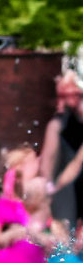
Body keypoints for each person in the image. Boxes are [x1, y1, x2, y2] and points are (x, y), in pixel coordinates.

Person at [0, 148, 66, 263]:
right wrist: (10, 235)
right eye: (31, 162)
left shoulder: (41, 205)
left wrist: (49, 236)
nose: (38, 163)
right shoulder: (4, 205)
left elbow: (53, 240)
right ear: (17, 171)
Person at [39, 70, 83, 226]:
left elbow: (76, 164)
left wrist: (54, 187)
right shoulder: (58, 124)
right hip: (67, 177)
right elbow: (48, 159)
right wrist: (48, 188)